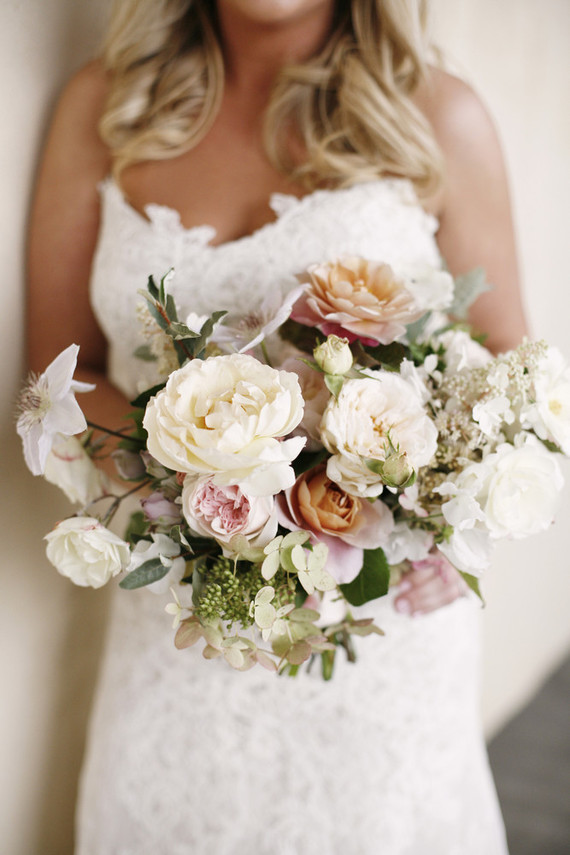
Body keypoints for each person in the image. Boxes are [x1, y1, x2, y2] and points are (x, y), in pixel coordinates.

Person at [27, 1, 528, 852]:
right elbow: (52, 378)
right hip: (181, 632)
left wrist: (428, 511)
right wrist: (201, 487)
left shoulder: (438, 113)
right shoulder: (106, 105)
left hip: (381, 647)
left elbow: (513, 380)